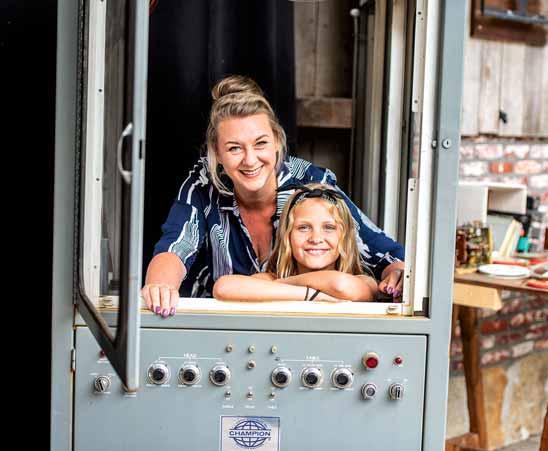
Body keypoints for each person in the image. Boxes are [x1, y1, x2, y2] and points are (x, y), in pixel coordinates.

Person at [142, 75, 404, 317]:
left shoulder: (310, 184)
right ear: (217, 153)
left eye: (261, 143)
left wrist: (398, 274)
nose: (250, 160)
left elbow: (381, 252)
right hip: (220, 327)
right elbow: (175, 246)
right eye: (234, 148)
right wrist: (160, 286)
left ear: (277, 141)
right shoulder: (203, 184)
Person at [212, 183, 378, 302]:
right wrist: (310, 295)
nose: (316, 239)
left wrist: (281, 284)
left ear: (345, 237)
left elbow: (340, 285)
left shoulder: (364, 281)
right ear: (287, 236)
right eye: (303, 228)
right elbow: (223, 287)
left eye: (329, 228)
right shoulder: (271, 277)